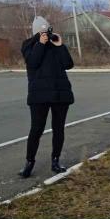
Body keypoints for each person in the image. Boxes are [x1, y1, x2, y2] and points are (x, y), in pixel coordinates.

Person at [19, 16, 75, 178]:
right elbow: (33, 62)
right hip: (39, 95)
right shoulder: (28, 45)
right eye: (42, 32)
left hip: (60, 94)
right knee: (36, 129)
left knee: (59, 128)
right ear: (36, 32)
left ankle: (56, 161)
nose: (46, 34)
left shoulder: (55, 44)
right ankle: (29, 163)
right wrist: (41, 44)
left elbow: (68, 64)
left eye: (47, 31)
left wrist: (60, 46)